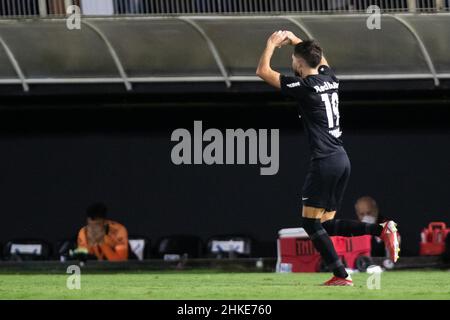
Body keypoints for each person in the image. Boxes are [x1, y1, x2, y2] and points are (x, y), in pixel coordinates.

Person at [256, 31, 399, 286]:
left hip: (324, 162)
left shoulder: (304, 87)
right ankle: (382, 229)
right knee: (327, 225)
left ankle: (341, 275)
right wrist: (295, 38)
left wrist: (271, 45)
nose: (292, 64)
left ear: (299, 63)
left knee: (309, 223)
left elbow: (263, 72)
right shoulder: (329, 78)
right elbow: (318, 59)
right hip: (341, 159)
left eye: (293, 60)